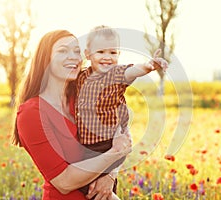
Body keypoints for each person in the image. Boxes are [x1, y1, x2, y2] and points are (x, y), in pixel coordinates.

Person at [12, 29, 132, 200]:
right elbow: (64, 182)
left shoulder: (83, 96)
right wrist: (114, 154)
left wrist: (110, 175)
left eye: (77, 51)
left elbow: (121, 132)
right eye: (63, 51)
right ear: (45, 59)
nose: (74, 57)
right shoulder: (31, 113)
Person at [76, 25, 168, 199]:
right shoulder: (81, 77)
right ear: (88, 54)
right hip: (85, 147)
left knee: (101, 193)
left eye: (113, 52)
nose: (107, 58)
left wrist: (149, 66)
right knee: (87, 191)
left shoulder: (116, 75)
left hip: (108, 145)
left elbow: (132, 71)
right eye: (101, 52)